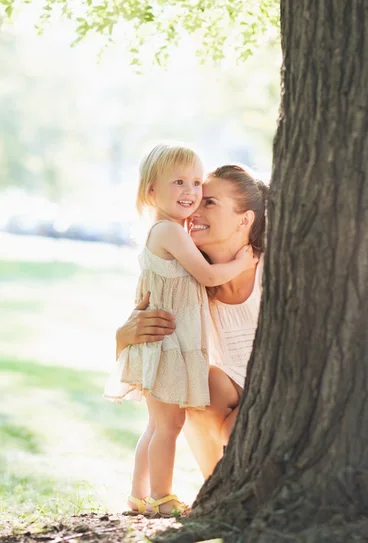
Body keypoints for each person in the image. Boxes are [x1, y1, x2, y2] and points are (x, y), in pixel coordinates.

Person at [104, 147, 257, 516]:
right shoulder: (172, 233)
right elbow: (203, 278)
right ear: (152, 192)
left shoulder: (173, 234)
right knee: (167, 426)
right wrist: (241, 261)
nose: (193, 198)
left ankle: (140, 495)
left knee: (158, 426)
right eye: (181, 185)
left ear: (245, 219)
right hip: (167, 346)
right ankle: (160, 496)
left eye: (202, 193)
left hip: (168, 348)